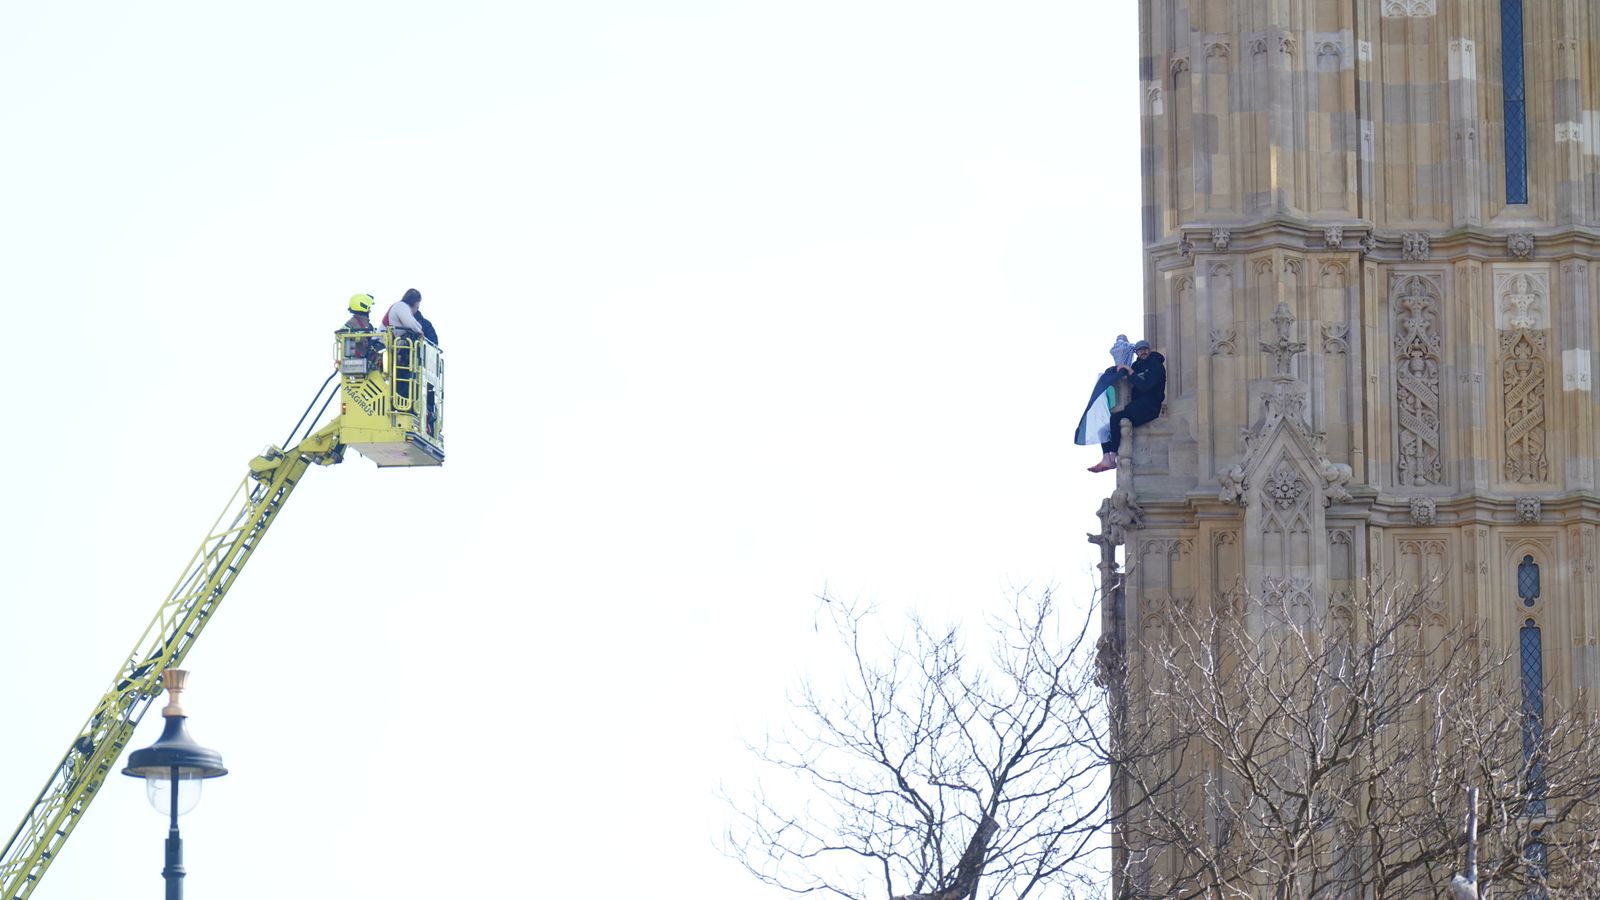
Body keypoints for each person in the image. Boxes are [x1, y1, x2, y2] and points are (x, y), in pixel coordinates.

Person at [1081, 339, 1166, 473]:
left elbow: (1146, 386)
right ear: (1136, 352)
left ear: (1149, 350)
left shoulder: (1156, 365)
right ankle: (1106, 458)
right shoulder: (1137, 365)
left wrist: (1131, 374)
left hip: (1150, 406)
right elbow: (1122, 370)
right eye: (1140, 350)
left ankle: (1113, 456)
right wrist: (1115, 370)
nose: (1143, 351)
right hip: (1137, 406)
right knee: (1103, 430)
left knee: (1116, 419)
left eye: (1145, 349)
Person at [338, 294, 383, 371]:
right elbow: (340, 334)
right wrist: (359, 338)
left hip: (364, 358)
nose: (370, 311)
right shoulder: (352, 323)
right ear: (363, 306)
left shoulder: (367, 325)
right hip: (356, 360)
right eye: (369, 308)